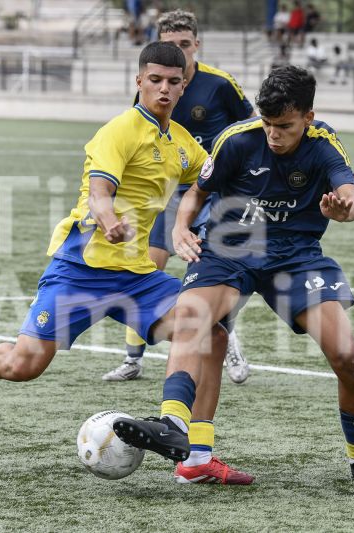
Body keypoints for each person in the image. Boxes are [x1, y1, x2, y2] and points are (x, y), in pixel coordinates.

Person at [0, 41, 255, 485]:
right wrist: (110, 219)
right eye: (154, 80)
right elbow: (100, 194)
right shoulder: (118, 131)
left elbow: (212, 179)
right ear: (138, 81)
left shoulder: (182, 145)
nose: (164, 89)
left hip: (138, 278)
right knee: (25, 365)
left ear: (183, 87)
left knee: (208, 333)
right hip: (82, 269)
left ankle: (195, 456)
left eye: (174, 82)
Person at [112, 65, 354, 486]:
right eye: (266, 123)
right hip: (230, 251)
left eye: (284, 126)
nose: (273, 134)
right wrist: (178, 228)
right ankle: (175, 427)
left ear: (309, 118)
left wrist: (346, 209)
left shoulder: (323, 144)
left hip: (295, 256)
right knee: (194, 320)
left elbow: (353, 197)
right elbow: (198, 192)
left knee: (347, 357)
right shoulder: (237, 138)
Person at [104, 9, 255, 384]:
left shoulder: (220, 84)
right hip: (166, 193)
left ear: (196, 45)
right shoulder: (152, 83)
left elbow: (251, 127)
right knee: (145, 269)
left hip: (208, 192)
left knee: (205, 277)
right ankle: (132, 359)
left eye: (184, 45)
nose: (178, 52)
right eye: (170, 45)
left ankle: (228, 340)